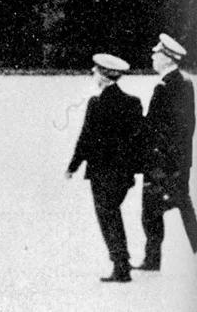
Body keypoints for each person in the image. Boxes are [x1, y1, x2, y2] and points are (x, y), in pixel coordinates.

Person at [65, 53, 142, 282]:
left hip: (101, 173)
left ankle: (121, 266)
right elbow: (138, 139)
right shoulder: (133, 102)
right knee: (113, 214)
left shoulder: (96, 103)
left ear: (104, 76)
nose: (93, 74)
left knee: (108, 218)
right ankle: (122, 262)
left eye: (96, 71)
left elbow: (86, 139)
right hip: (123, 174)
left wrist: (73, 166)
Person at [135, 33, 197, 271]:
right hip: (180, 160)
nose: (153, 57)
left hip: (161, 162)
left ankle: (152, 259)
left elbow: (153, 127)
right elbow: (187, 126)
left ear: (166, 58)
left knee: (150, 213)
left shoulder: (163, 87)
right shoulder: (187, 83)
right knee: (183, 204)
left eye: (156, 53)